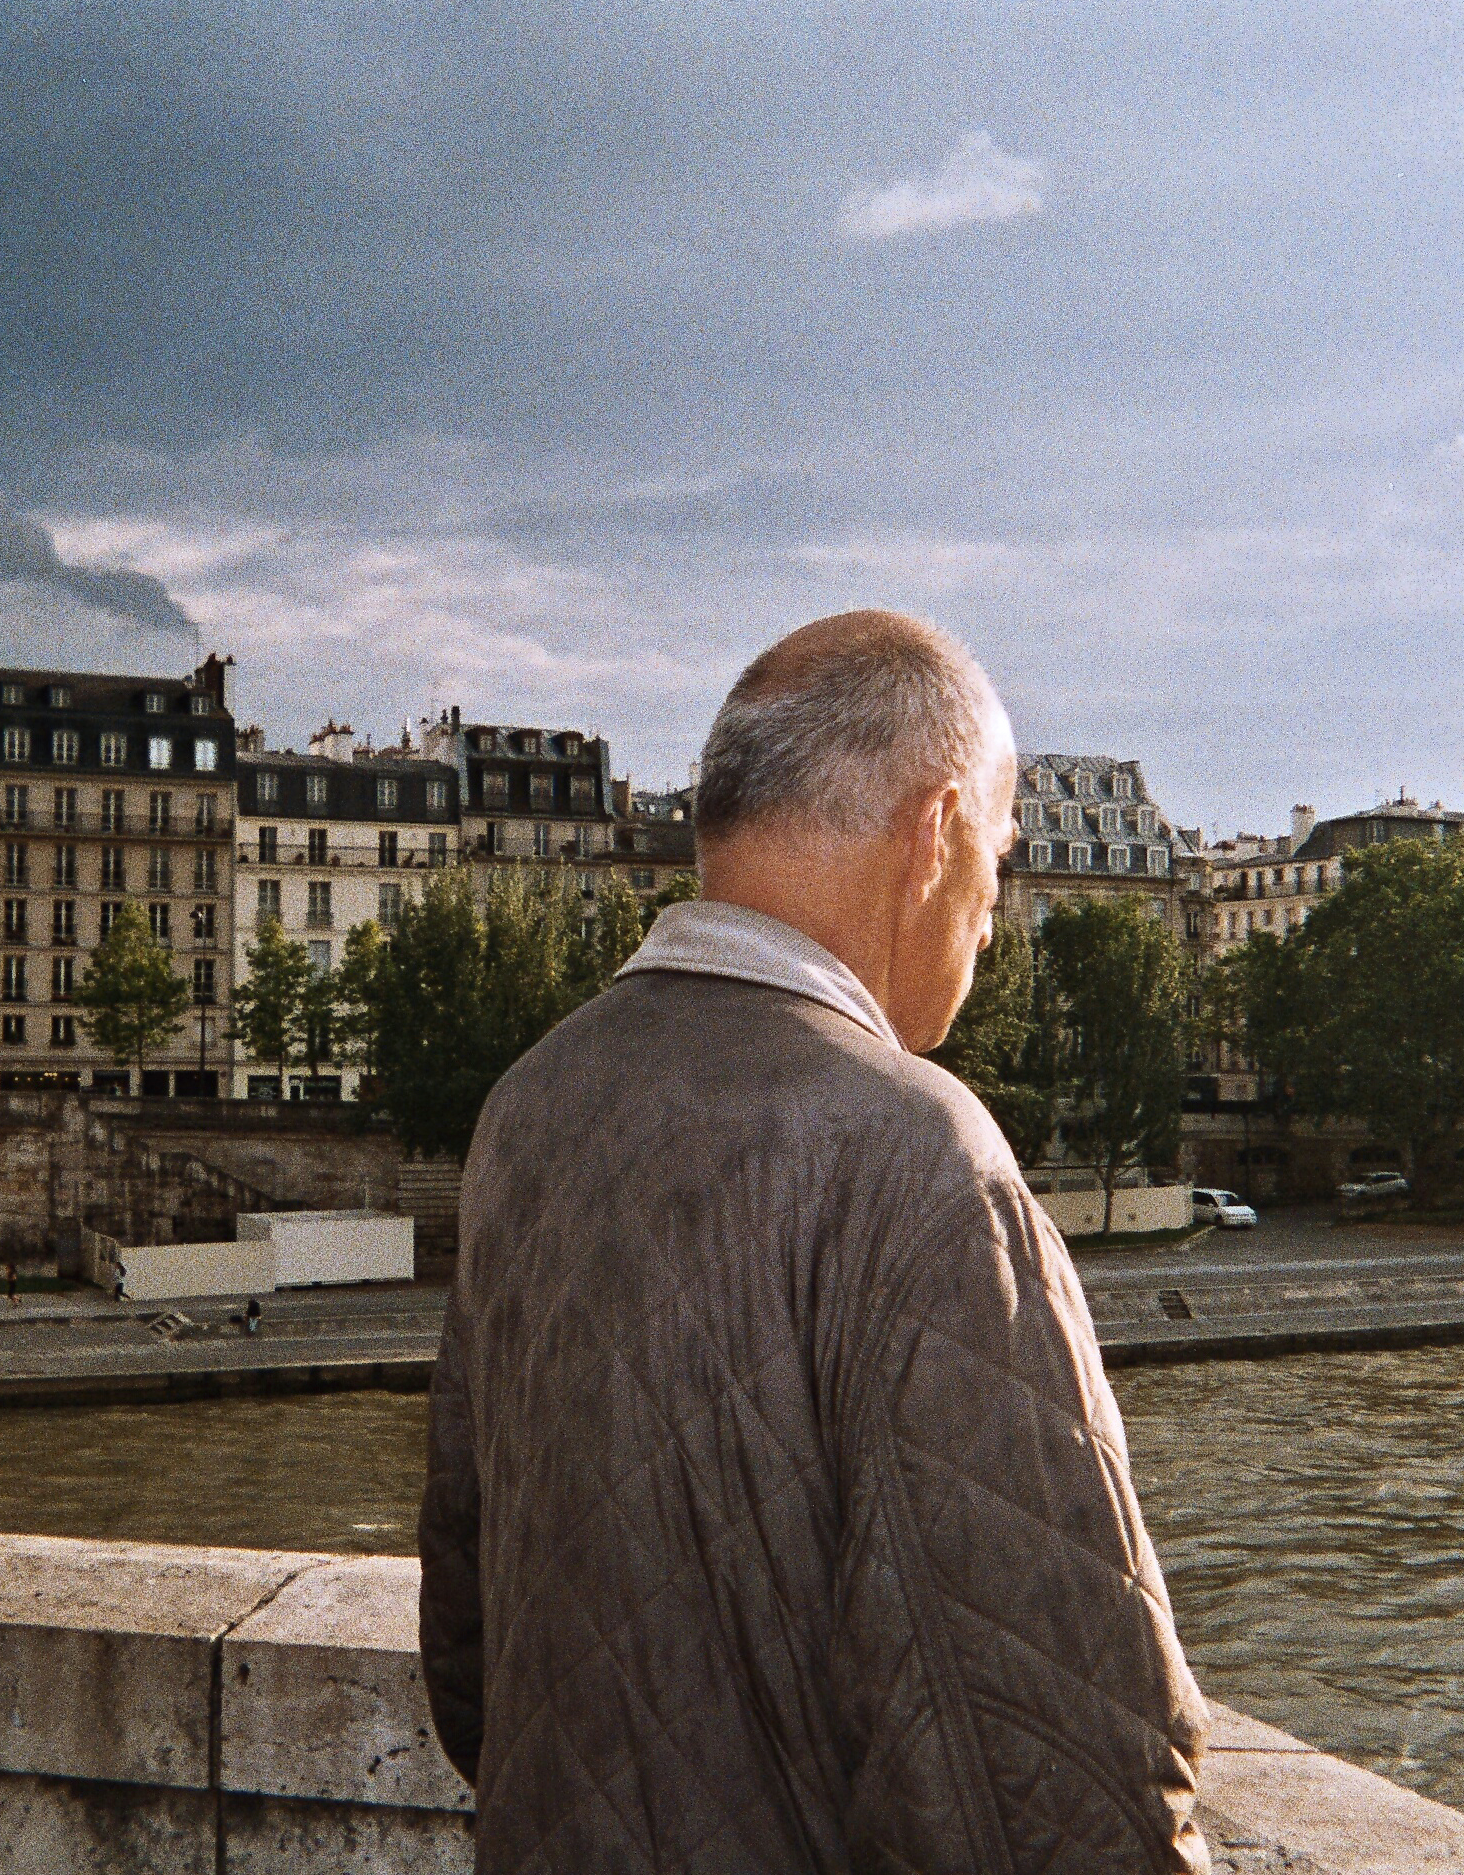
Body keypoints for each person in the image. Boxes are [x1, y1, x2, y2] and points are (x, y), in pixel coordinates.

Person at [420, 610, 1210, 1872]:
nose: (991, 924)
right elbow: (1056, 1783)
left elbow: (466, 1663)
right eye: (997, 868)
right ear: (938, 834)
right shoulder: (917, 1154)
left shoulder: (529, 1104)